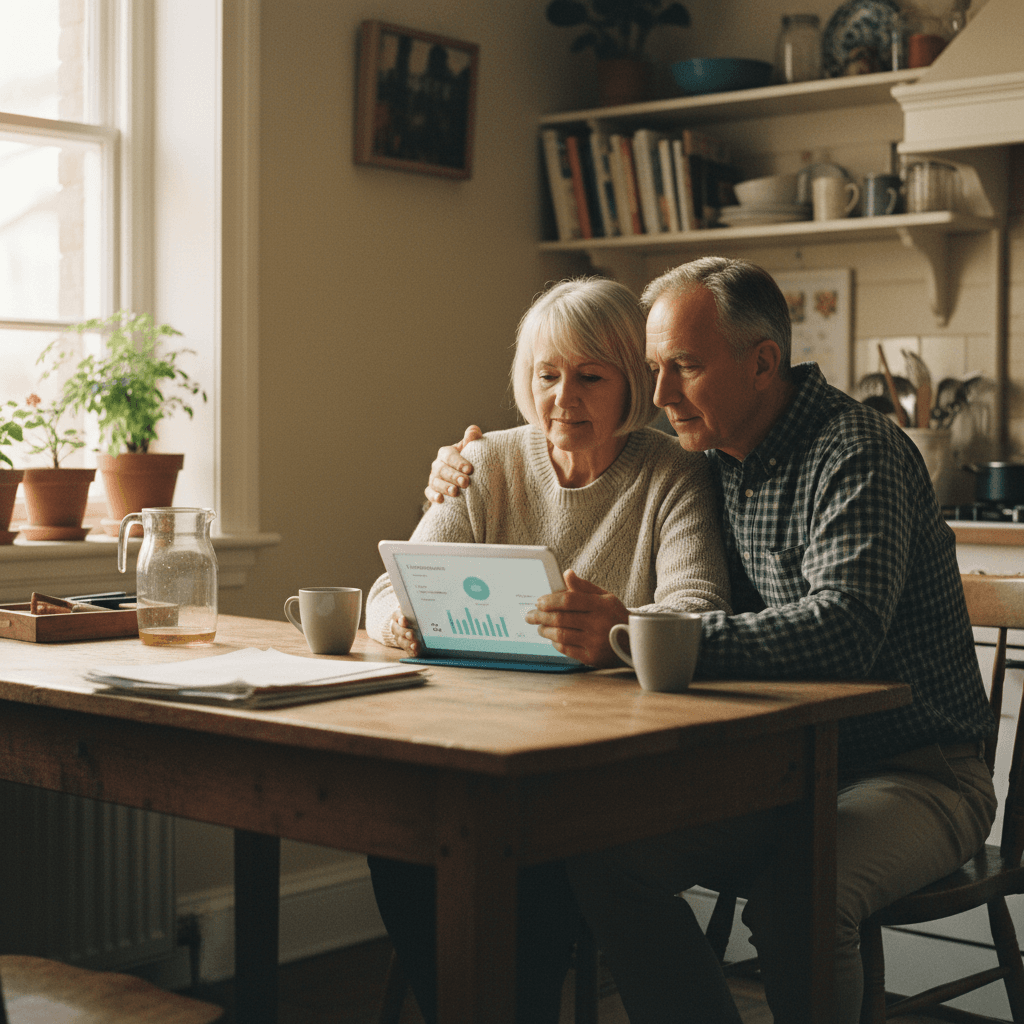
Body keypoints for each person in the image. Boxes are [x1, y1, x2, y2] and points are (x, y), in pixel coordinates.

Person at [423, 256, 998, 1024]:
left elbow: (842, 633)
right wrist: (458, 463)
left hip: (916, 770)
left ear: (762, 363)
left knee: (798, 898)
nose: (660, 395)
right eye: (653, 369)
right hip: (783, 772)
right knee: (603, 857)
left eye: (684, 367)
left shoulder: (856, 451)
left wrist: (635, 634)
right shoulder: (708, 457)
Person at [366, 275, 732, 1024]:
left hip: (604, 757)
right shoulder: (483, 461)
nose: (563, 398)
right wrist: (399, 617)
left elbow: (697, 609)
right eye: (546, 375)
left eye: (590, 377)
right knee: (398, 834)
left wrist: (617, 629)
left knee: (527, 855)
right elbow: (392, 584)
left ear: (632, 382)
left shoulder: (674, 473)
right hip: (485, 737)